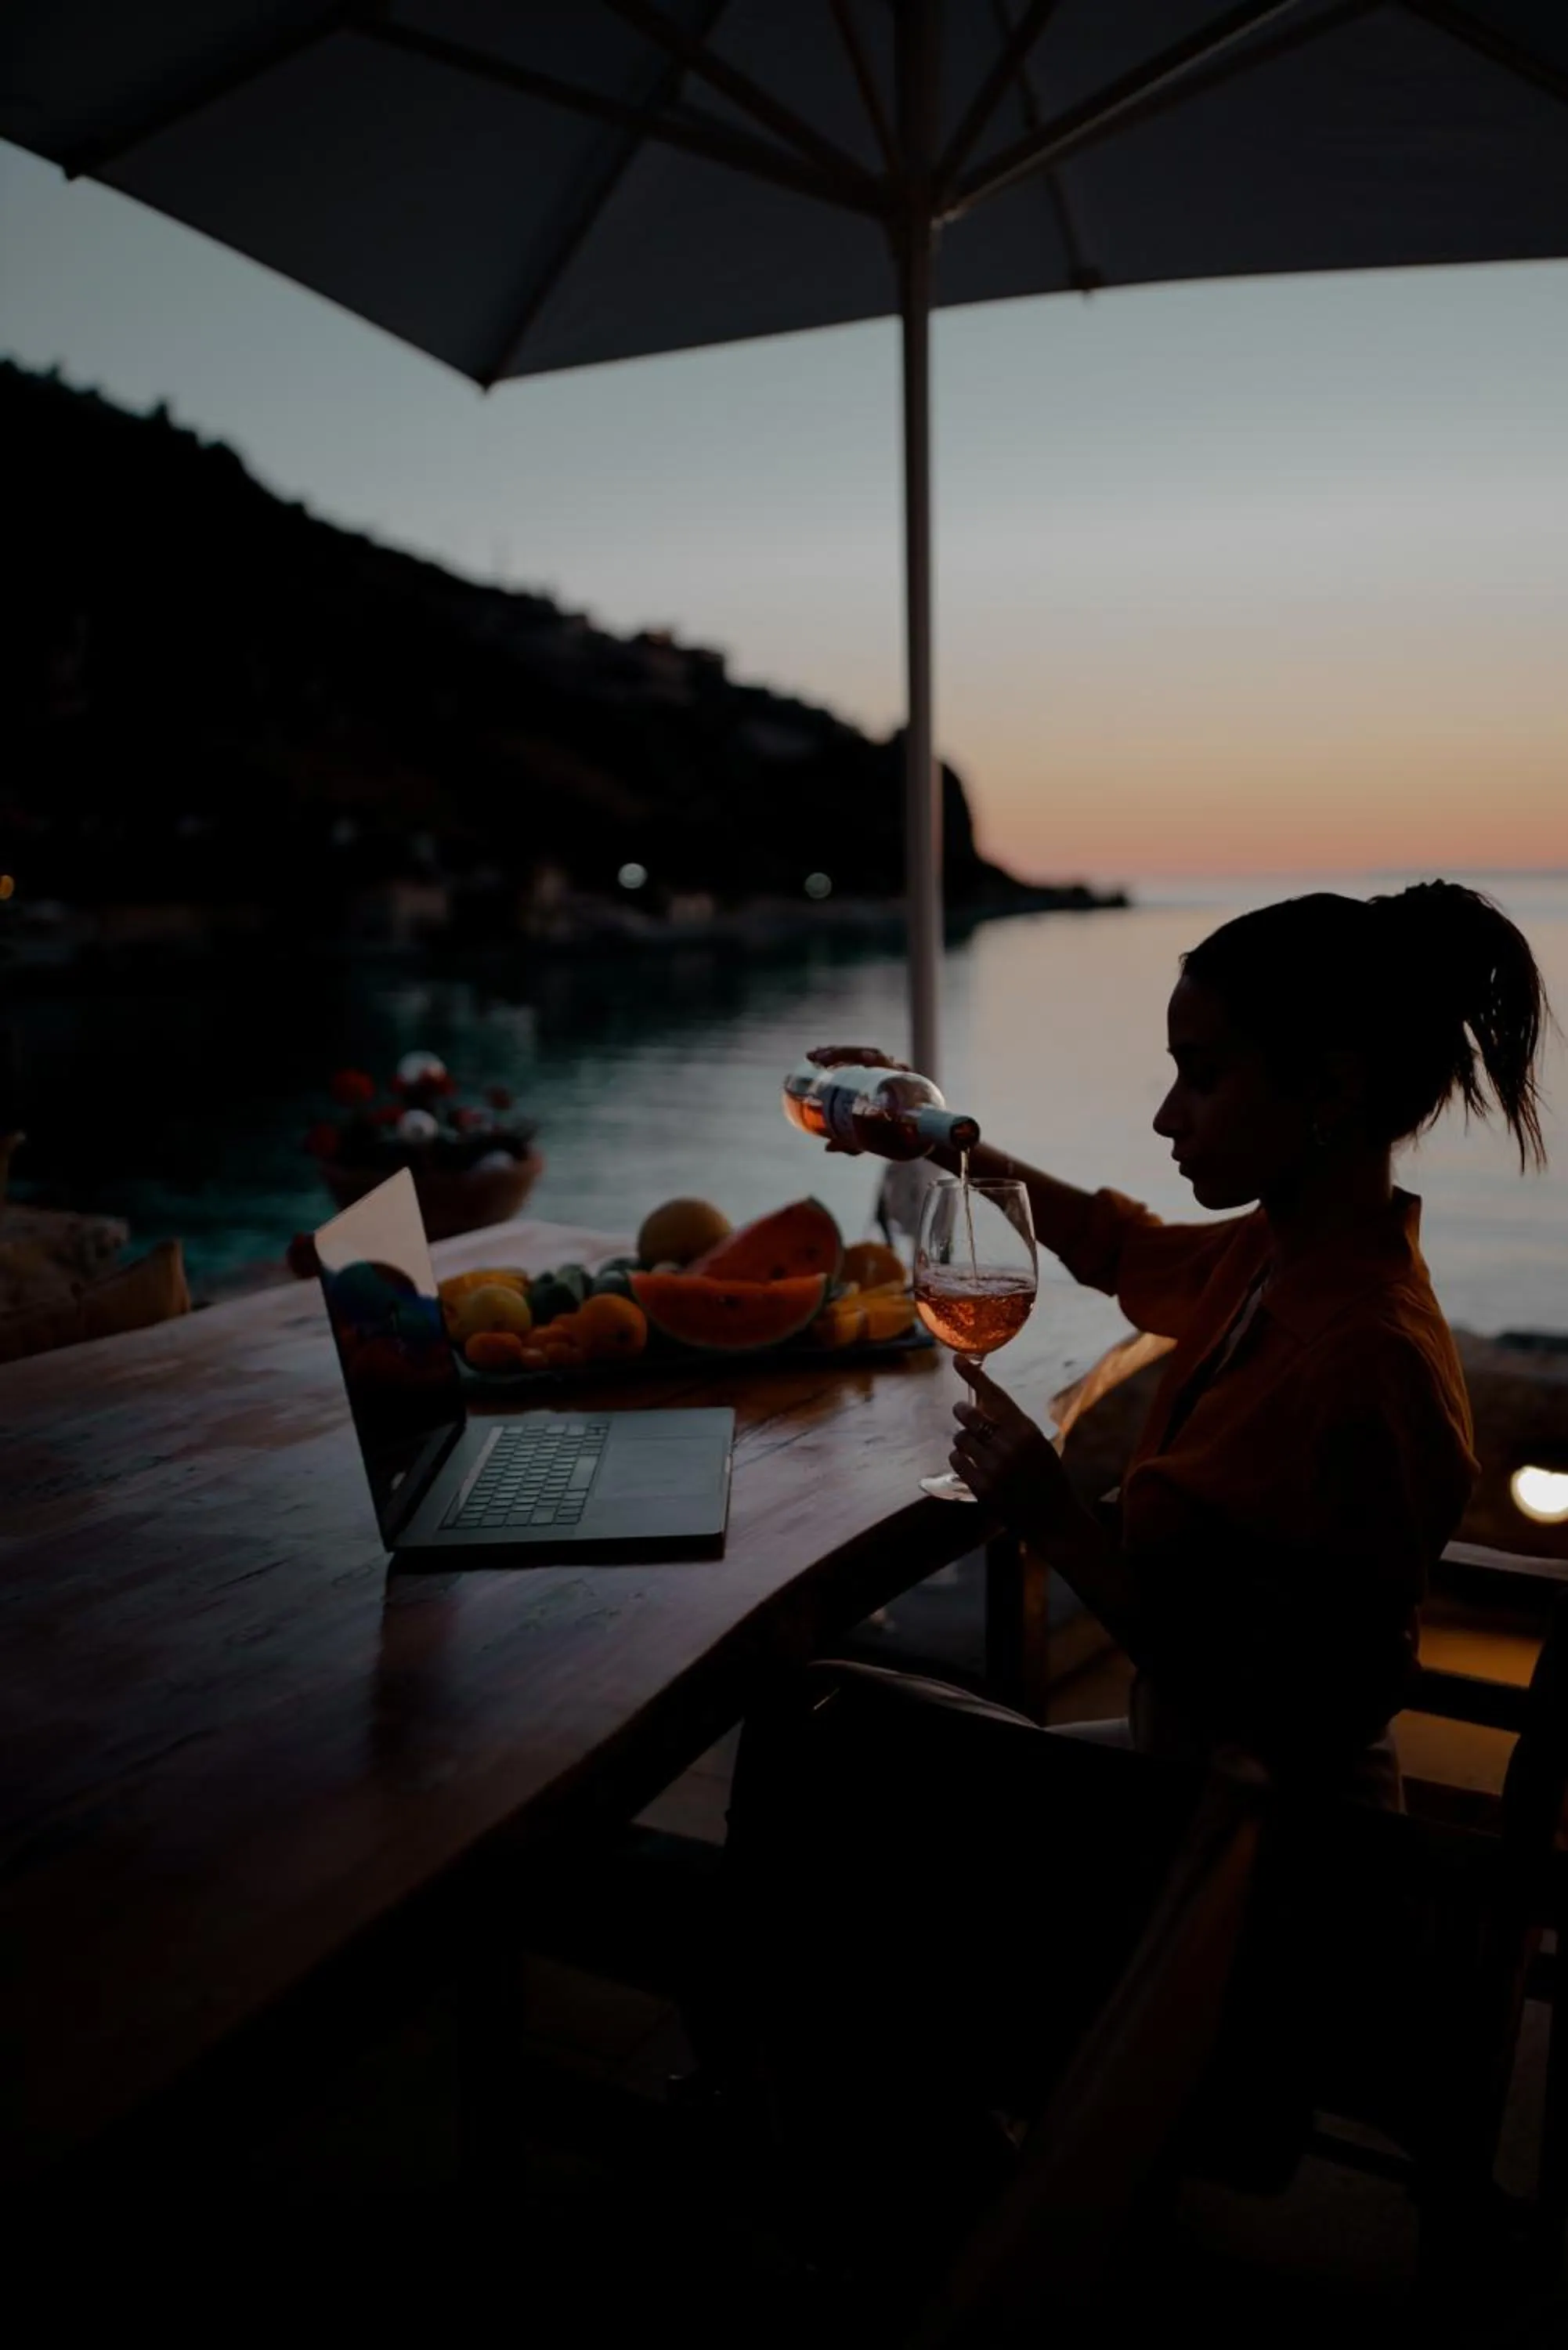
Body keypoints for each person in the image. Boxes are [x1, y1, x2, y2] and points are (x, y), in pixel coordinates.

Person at [690, 880, 1553, 2287]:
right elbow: (1112, 1246)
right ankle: (870, 2135)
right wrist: (941, 1139)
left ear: (1329, 1087)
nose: (1166, 1117)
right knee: (838, 1755)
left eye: (1200, 1076)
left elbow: (1279, 1712)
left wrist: (1054, 1517)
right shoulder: (1289, 1255)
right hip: (1186, 1784)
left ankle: (920, 2197)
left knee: (822, 1756)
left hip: (1260, 1860)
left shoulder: (1364, 1368)